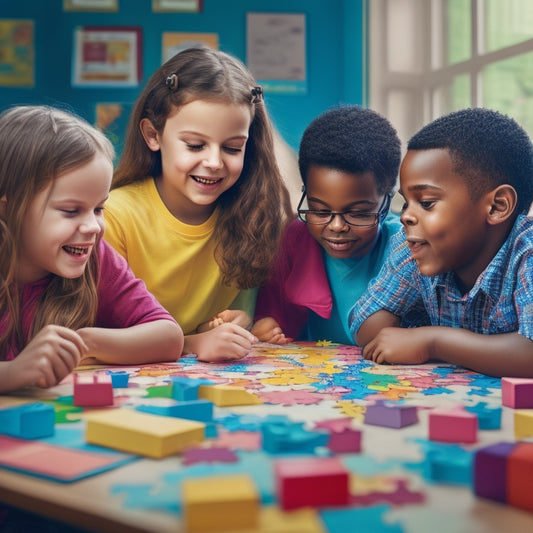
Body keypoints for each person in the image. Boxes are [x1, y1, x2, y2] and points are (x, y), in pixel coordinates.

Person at [103, 45, 291, 363]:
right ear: (153, 135)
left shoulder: (251, 216)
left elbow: (236, 318)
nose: (214, 162)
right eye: (195, 145)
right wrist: (194, 342)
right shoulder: (113, 217)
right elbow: (94, 335)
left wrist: (236, 324)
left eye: (232, 148)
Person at [0, 105, 184, 394]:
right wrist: (13, 372)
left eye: (98, 208)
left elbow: (168, 336)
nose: (94, 227)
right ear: (8, 207)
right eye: (71, 211)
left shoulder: (96, 257)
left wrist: (83, 342)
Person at [349, 107, 533, 378]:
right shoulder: (420, 244)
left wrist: (431, 342)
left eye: (426, 203)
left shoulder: (526, 254)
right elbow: (365, 326)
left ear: (497, 207)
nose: (407, 216)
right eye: (406, 202)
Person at [251, 105, 403, 344]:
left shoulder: (403, 247)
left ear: (386, 199)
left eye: (359, 213)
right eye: (320, 210)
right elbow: (273, 316)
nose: (337, 226)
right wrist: (266, 327)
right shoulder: (296, 240)